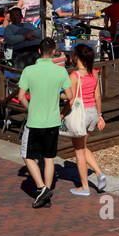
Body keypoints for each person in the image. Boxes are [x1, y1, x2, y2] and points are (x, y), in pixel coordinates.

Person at [18, 37, 72, 208]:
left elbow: (20, 96)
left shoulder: (29, 70)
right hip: (53, 121)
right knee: (49, 158)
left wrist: (29, 108)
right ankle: (46, 194)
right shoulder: (61, 71)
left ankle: (41, 188)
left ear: (39, 52)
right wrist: (58, 96)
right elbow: (70, 96)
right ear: (54, 52)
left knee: (27, 156)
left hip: (35, 121)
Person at [63, 44, 108, 196]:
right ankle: (99, 173)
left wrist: (62, 115)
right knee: (83, 145)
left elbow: (71, 100)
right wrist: (100, 115)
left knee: (79, 150)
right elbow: (98, 96)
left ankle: (84, 186)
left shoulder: (75, 76)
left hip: (80, 114)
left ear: (76, 57)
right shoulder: (94, 73)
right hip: (92, 113)